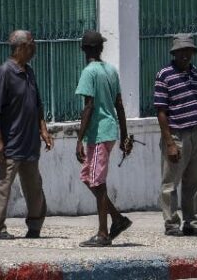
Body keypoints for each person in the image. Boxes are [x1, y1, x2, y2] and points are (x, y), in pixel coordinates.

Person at [0, 30, 54, 240]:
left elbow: (37, 104)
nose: (34, 47)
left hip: (29, 142)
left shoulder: (29, 72)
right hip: (9, 143)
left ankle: (35, 225)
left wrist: (43, 129)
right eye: (32, 44)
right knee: (0, 185)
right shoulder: (5, 72)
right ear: (21, 47)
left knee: (34, 187)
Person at [74, 30, 133, 247]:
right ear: (100, 48)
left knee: (97, 181)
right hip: (110, 131)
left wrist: (79, 139)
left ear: (84, 50)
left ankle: (103, 233)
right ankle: (117, 218)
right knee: (89, 177)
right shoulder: (111, 71)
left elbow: (88, 107)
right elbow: (119, 105)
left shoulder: (89, 72)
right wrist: (124, 135)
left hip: (98, 133)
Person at [154, 33, 197, 237]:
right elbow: (161, 111)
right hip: (176, 133)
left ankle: (193, 223)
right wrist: (169, 142)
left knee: (195, 182)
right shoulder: (164, 75)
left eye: (188, 51)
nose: (185, 55)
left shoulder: (195, 74)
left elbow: (196, 105)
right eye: (181, 52)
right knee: (170, 184)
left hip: (196, 133)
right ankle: (171, 224)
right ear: (174, 53)